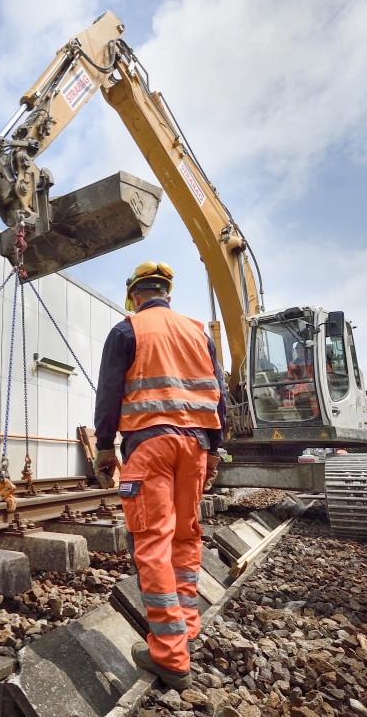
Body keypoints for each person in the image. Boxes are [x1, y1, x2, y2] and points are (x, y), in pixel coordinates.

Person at [92, 261, 227, 690]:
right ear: (167, 293)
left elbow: (110, 394)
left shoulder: (127, 330)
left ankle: (169, 655)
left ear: (134, 295)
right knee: (187, 536)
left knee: (152, 541)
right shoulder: (196, 331)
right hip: (197, 447)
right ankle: (185, 629)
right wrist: (215, 446)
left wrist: (103, 448)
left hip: (150, 446)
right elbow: (218, 394)